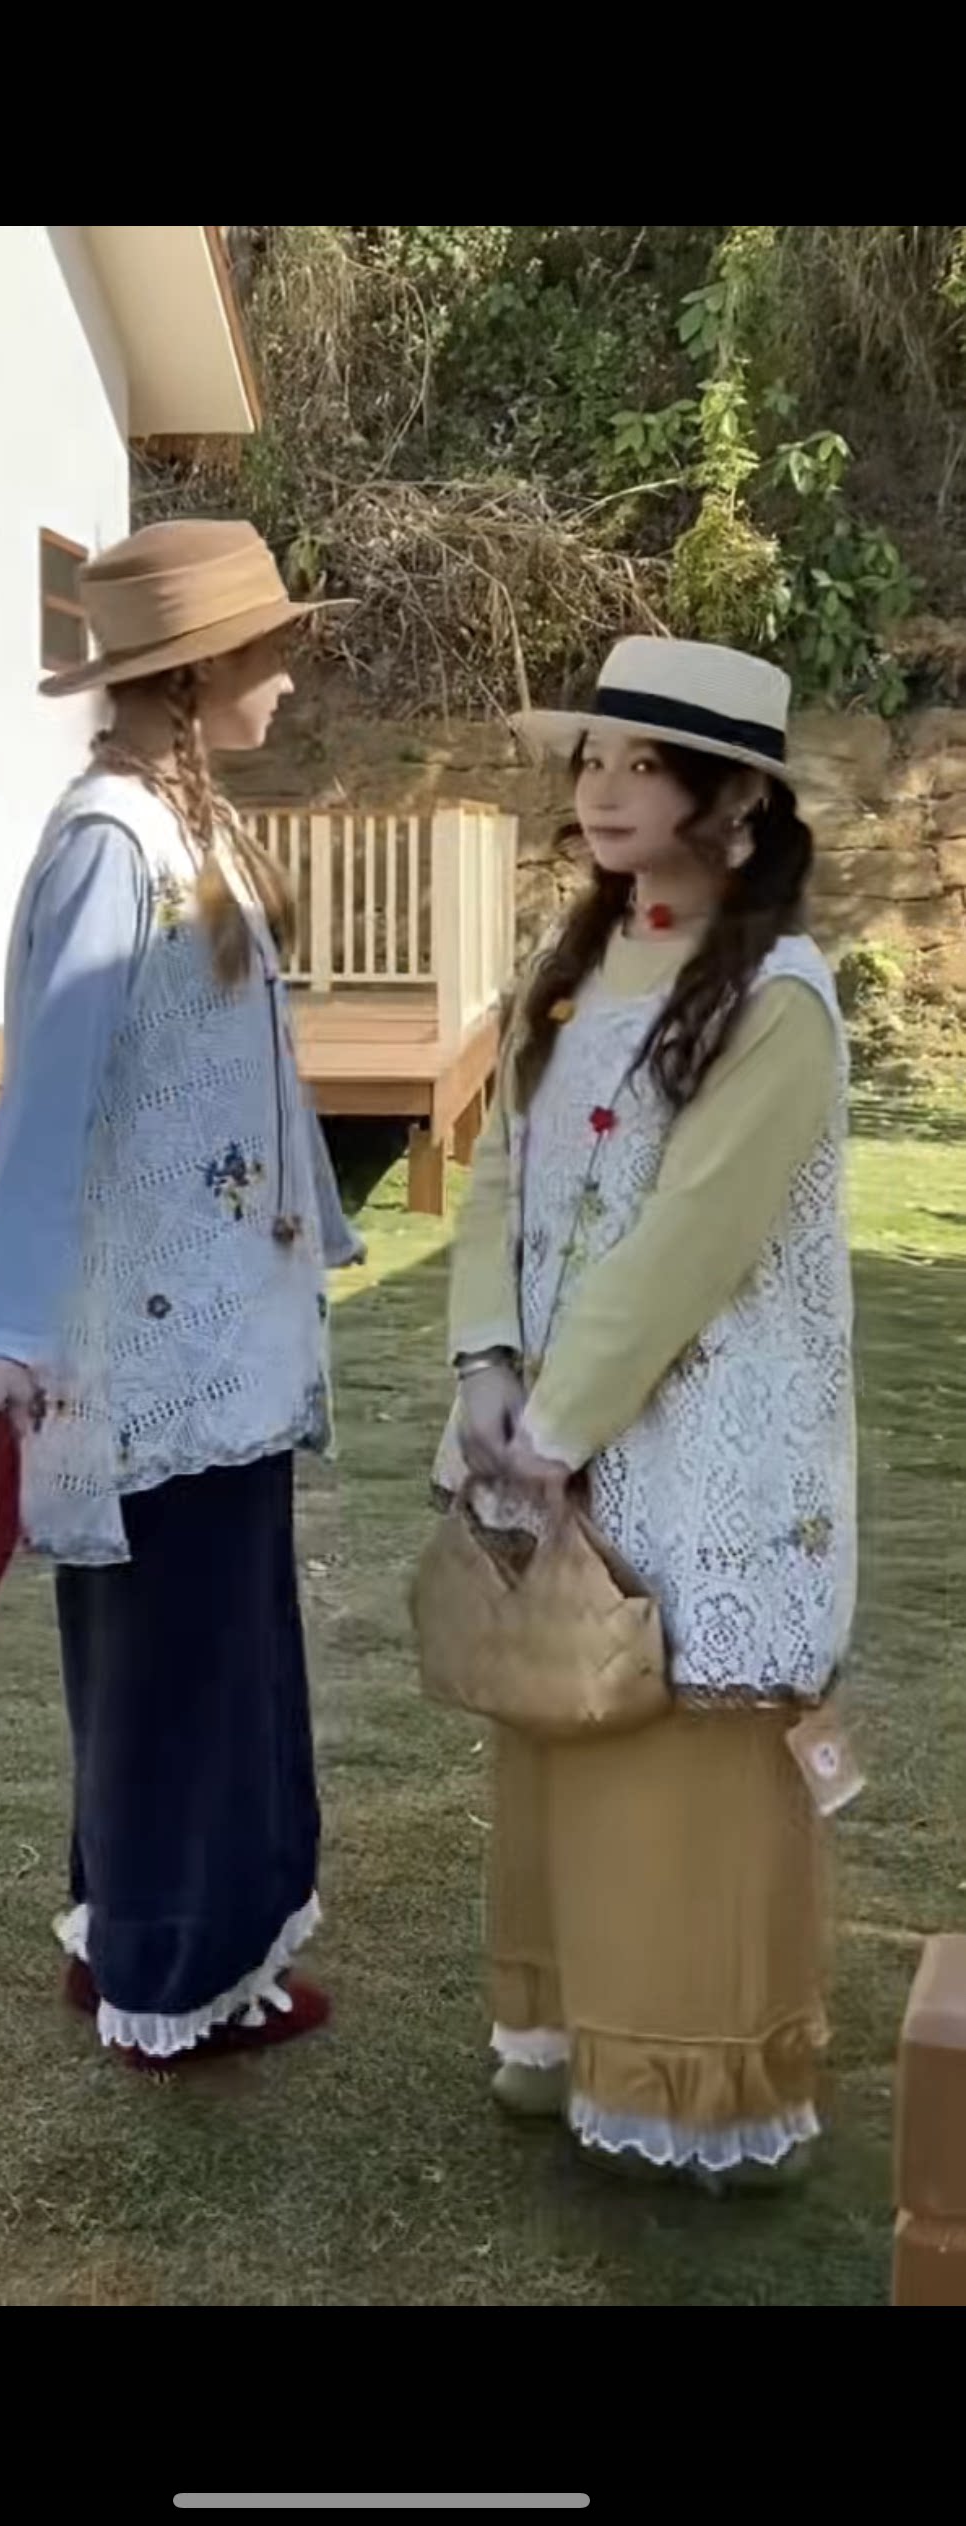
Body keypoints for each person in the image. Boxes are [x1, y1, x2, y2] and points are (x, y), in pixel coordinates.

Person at [0, 519, 360, 2069]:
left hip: (218, 1337)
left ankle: (146, 1936)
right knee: (175, 1665)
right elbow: (49, 1098)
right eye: (269, 652)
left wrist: (305, 1237)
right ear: (197, 672)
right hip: (150, 1357)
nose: (288, 679)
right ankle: (170, 1972)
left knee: (199, 1650)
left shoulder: (182, 828)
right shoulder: (113, 844)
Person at [439, 636, 856, 2189]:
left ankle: (701, 2094)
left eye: (643, 765)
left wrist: (553, 1429)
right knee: (565, 1704)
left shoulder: (778, 998)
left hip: (704, 1444)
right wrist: (485, 1367)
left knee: (689, 1740)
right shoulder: (564, 972)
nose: (603, 791)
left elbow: (692, 1240)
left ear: (732, 799)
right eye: (592, 761)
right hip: (548, 1432)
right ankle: (559, 2035)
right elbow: (498, 1178)